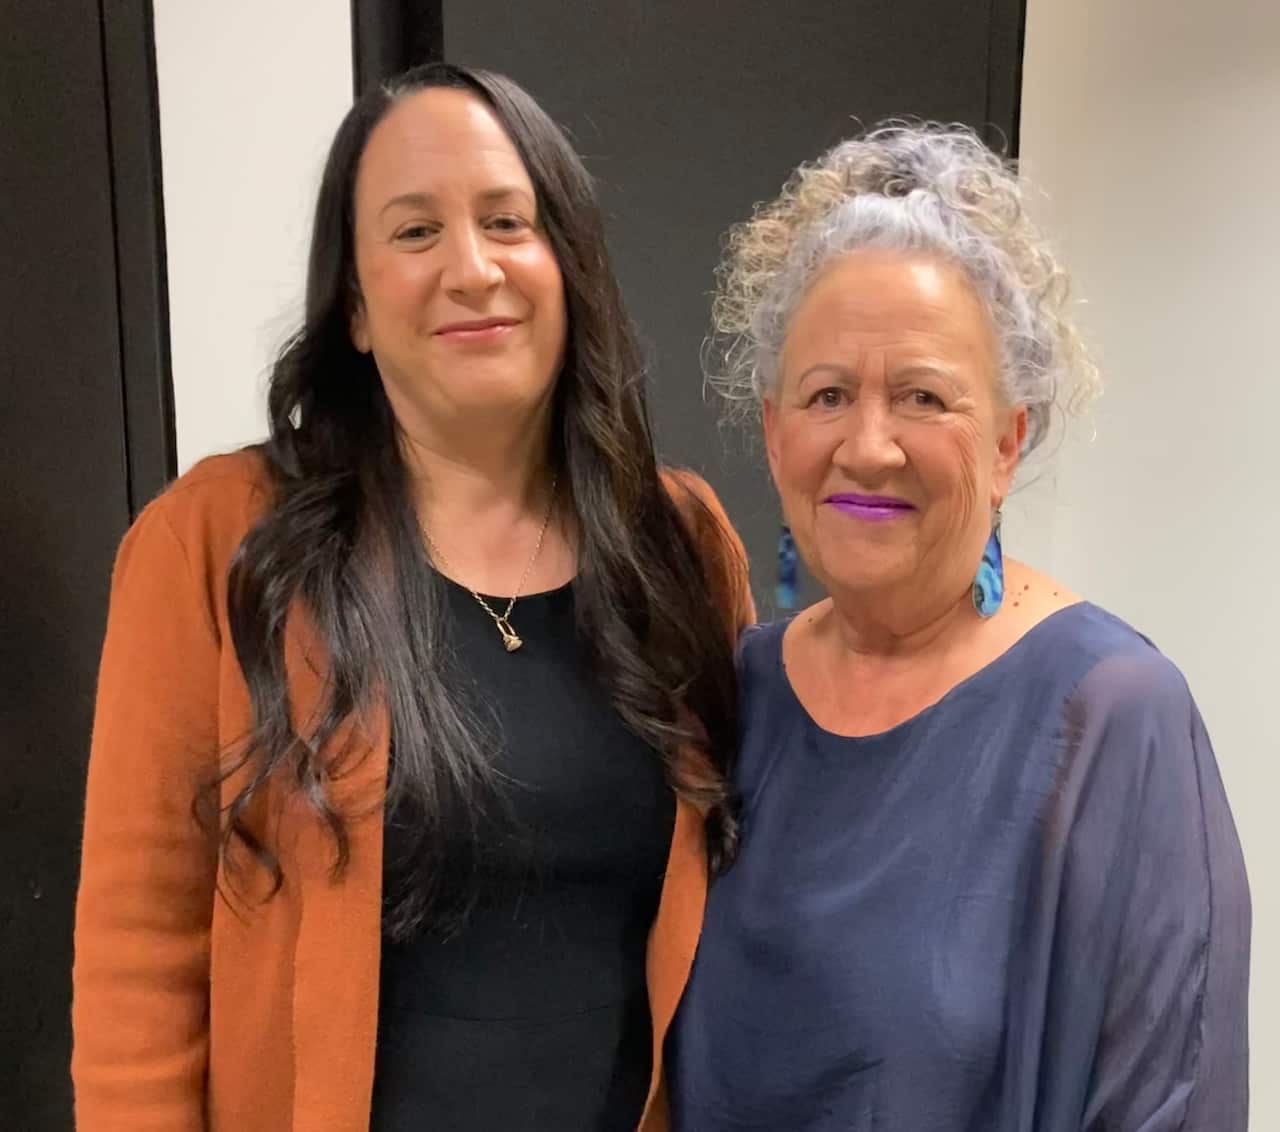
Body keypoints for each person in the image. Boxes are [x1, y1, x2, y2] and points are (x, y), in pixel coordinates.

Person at [72, 62, 752, 1132]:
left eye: (507, 221)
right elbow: (138, 956)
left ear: (567, 264)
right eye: (416, 231)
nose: (471, 269)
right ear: (353, 304)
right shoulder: (218, 541)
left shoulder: (680, 544)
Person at [671, 123, 1249, 1130]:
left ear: (1005, 444)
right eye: (827, 394)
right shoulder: (735, 694)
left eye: (922, 396)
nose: (868, 445)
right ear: (773, 432)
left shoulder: (1112, 719)